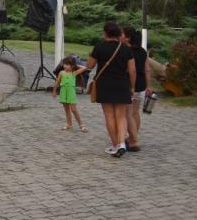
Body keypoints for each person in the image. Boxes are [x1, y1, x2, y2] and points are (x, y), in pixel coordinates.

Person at [86, 22, 135, 158]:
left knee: (109, 115)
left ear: (105, 33)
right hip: (122, 84)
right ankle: (122, 144)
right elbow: (132, 70)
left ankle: (115, 146)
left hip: (104, 84)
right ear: (119, 34)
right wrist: (132, 87)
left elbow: (90, 65)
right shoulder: (126, 49)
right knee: (121, 116)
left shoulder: (99, 47)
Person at [122, 26, 150, 152]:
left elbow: (128, 69)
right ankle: (133, 136)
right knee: (135, 112)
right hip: (141, 84)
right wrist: (148, 85)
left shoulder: (125, 51)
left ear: (128, 38)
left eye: (122, 34)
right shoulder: (143, 51)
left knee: (127, 113)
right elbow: (147, 69)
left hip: (130, 85)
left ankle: (131, 139)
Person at [52, 56, 88, 132]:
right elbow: (57, 82)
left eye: (67, 64)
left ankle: (81, 125)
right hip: (63, 92)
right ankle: (69, 124)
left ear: (72, 65)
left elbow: (85, 68)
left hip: (71, 93)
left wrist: (76, 65)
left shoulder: (74, 73)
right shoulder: (61, 73)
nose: (65, 65)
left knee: (74, 110)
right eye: (64, 64)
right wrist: (54, 91)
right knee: (66, 110)